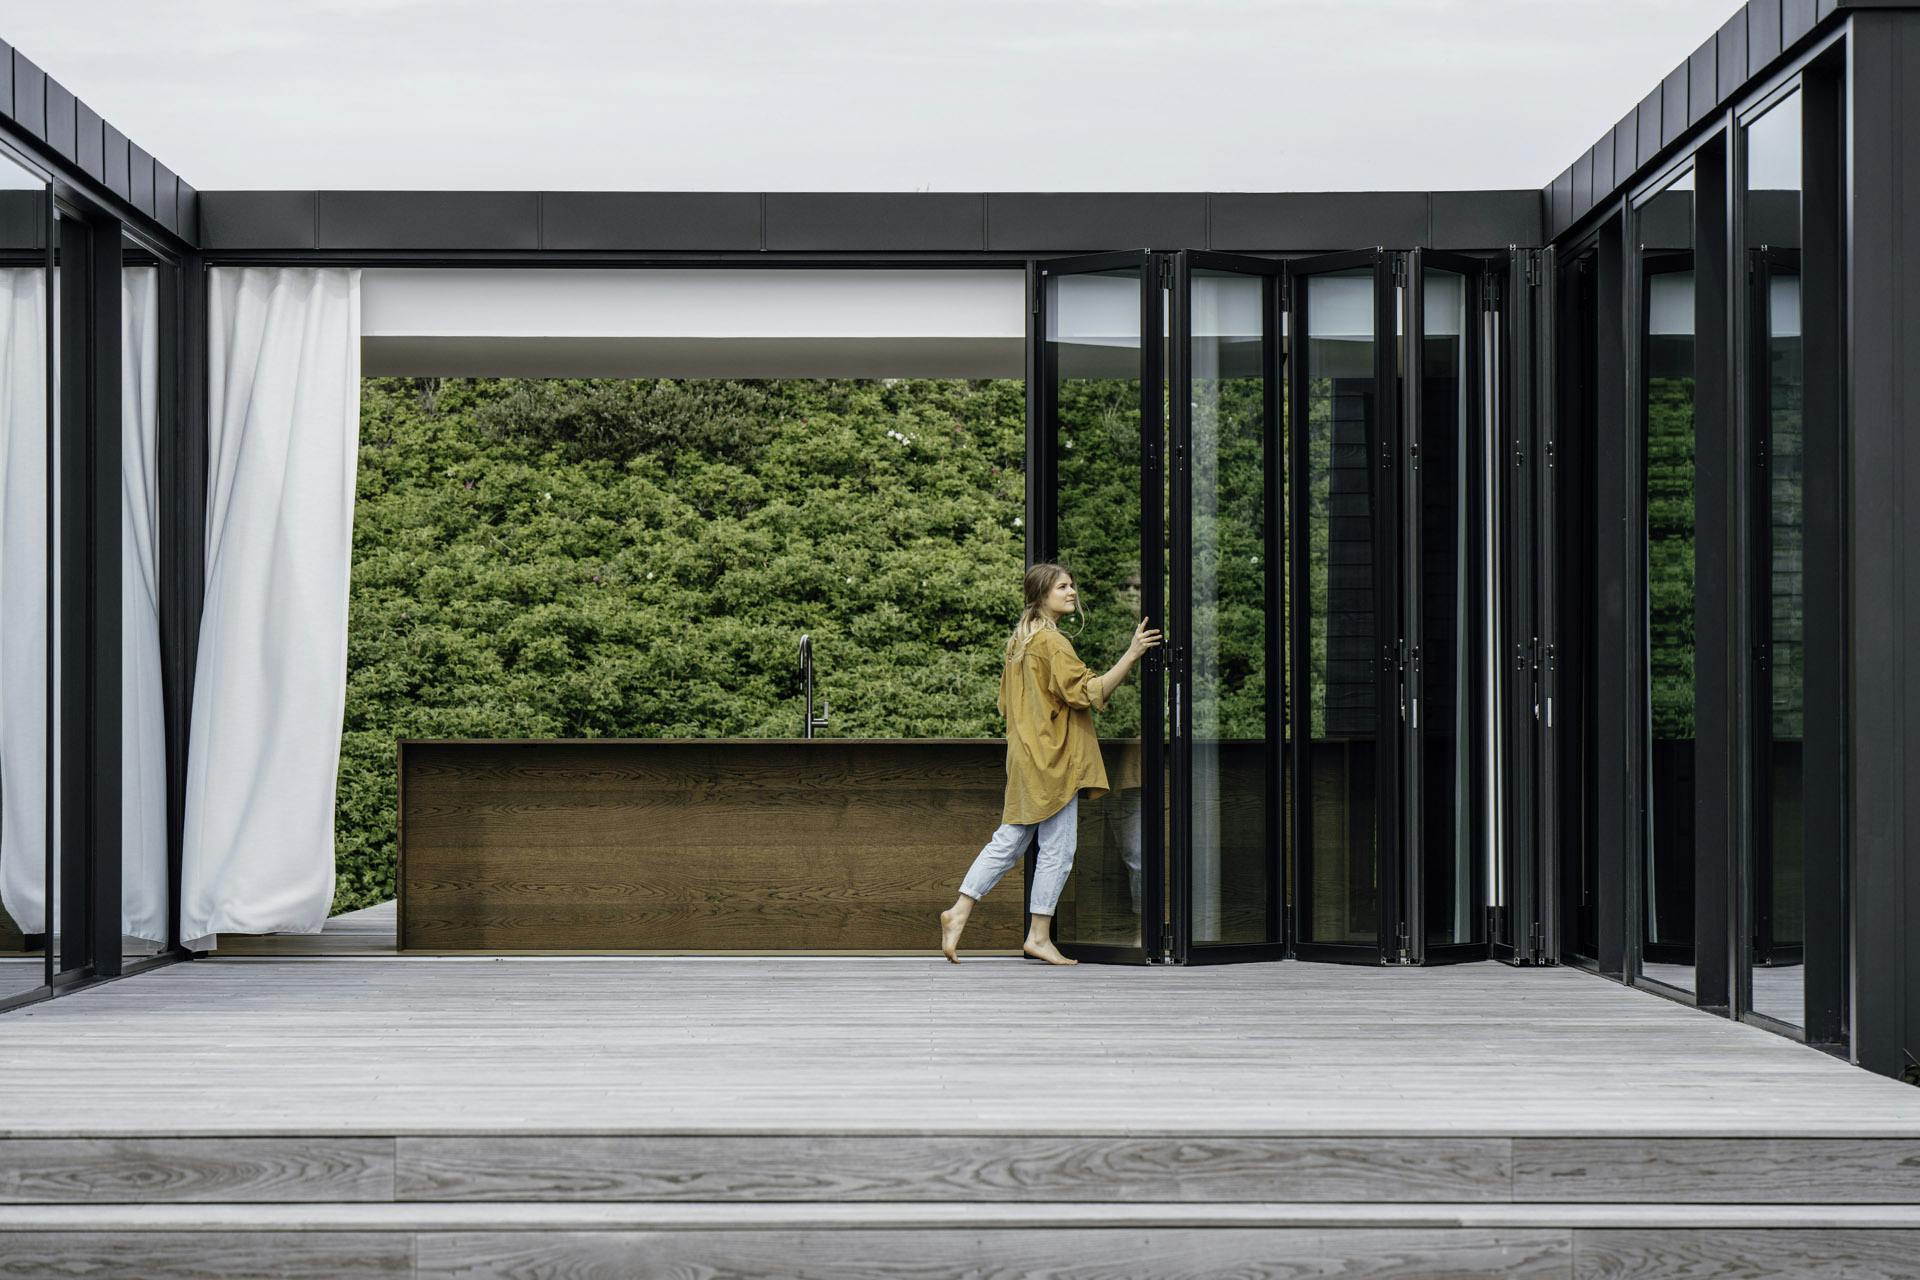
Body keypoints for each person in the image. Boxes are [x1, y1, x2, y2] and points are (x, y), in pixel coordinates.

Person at [939, 563, 1160, 966]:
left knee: (1010, 841)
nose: (1072, 592)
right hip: (1053, 760)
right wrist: (1133, 653)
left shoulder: (1019, 643)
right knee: (1055, 849)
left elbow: (1006, 705)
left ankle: (964, 911)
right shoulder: (1053, 643)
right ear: (1042, 597)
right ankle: (1032, 934)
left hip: (1027, 758)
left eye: (1072, 585)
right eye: (1063, 587)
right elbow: (1089, 692)